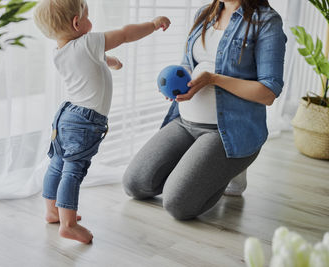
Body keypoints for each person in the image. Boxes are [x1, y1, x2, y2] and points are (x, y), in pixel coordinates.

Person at [122, 0, 287, 220]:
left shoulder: (266, 22)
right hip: (184, 121)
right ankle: (203, 167)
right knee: (135, 184)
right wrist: (175, 80)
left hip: (227, 132)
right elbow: (189, 63)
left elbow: (268, 93)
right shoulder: (205, 13)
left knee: (178, 205)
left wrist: (214, 79)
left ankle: (227, 167)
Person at [34, 0, 171, 243]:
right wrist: (152, 24)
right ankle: (68, 224)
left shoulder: (60, 51)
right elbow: (126, 34)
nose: (89, 18)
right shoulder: (88, 42)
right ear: (77, 23)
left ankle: (52, 210)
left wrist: (109, 61)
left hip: (65, 115)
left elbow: (86, 61)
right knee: (73, 170)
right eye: (86, 14)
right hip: (85, 121)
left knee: (57, 163)